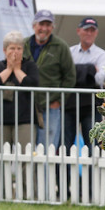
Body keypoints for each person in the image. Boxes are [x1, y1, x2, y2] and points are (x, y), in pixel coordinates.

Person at [24, 10, 76, 151]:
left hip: (49, 107)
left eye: (48, 24)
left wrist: (59, 100)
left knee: (47, 149)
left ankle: (46, 174)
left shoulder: (61, 46)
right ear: (34, 25)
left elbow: (70, 76)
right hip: (26, 106)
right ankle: (29, 174)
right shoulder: (24, 44)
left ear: (52, 28)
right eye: (41, 24)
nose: (44, 28)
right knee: (25, 148)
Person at [64, 17, 105, 151]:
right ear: (79, 31)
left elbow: (99, 79)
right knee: (65, 145)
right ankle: (64, 173)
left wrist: (75, 70)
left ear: (96, 33)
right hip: (69, 104)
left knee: (93, 145)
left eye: (92, 30)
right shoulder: (69, 52)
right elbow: (66, 78)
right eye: (86, 30)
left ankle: (91, 173)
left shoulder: (103, 55)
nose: (89, 33)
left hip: (92, 105)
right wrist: (90, 69)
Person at [0, 31, 39, 145]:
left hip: (24, 119)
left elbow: (33, 84)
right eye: (12, 48)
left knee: (25, 156)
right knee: (0, 157)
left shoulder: (30, 66)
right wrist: (9, 69)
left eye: (19, 49)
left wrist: (17, 70)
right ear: (5, 50)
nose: (16, 52)